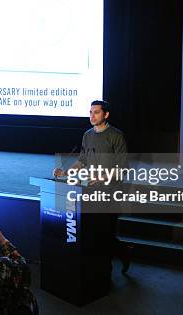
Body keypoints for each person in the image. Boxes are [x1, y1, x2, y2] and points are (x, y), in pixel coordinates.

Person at [52, 100, 131, 274]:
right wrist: (65, 173)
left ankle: (116, 261)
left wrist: (102, 177)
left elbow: (123, 168)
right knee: (96, 229)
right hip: (90, 190)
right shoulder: (87, 135)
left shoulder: (116, 136)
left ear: (106, 114)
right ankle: (104, 265)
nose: (92, 116)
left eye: (96, 112)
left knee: (107, 231)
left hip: (111, 191)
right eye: (90, 112)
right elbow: (82, 160)